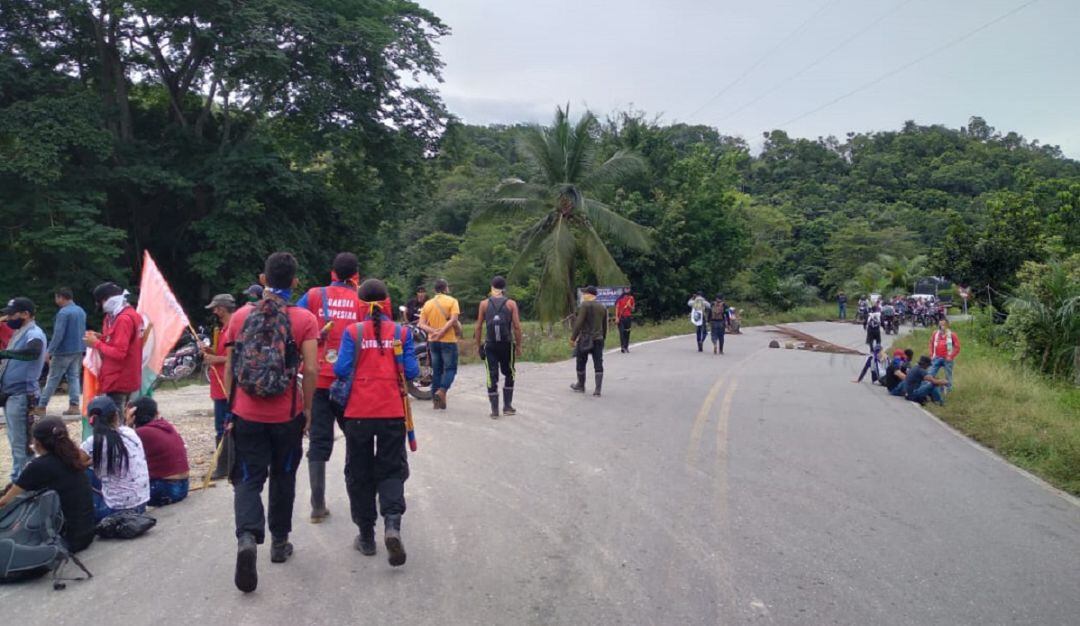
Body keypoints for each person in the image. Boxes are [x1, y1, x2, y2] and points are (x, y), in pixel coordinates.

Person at [222, 251, 319, 593]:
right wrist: (307, 410)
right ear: (295, 282)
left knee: (247, 479)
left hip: (246, 415)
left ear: (263, 279)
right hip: (286, 416)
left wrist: (231, 410)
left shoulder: (239, 318)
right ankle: (279, 543)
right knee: (284, 476)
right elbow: (311, 369)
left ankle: (248, 538)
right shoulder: (304, 319)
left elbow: (229, 368)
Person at [333, 278, 419, 566]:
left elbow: (342, 369)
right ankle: (392, 525)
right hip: (392, 412)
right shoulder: (401, 333)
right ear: (386, 303)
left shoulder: (352, 332)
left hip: (358, 414)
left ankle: (367, 537)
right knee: (392, 468)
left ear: (361, 304)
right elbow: (412, 369)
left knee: (359, 472)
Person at [294, 253, 365, 523]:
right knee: (357, 440)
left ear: (332, 272)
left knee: (319, 441)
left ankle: (317, 505)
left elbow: (295, 323)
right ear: (356, 273)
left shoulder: (313, 296)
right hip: (351, 383)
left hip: (319, 380)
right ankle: (361, 499)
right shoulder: (361, 300)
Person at [0, 417, 95, 553]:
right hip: (87, 532)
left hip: (66, 541)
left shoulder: (38, 466)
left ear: (37, 443)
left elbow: (5, 502)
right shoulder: (73, 456)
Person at [1, 297, 48, 484]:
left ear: (26, 314)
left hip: (23, 395)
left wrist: (4, 353)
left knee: (23, 444)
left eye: (12, 314)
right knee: (16, 442)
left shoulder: (34, 333)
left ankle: (23, 485)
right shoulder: (19, 332)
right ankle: (18, 480)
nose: (8, 318)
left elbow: (33, 352)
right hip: (12, 394)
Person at [80, 396, 150, 522]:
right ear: (116, 416)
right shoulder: (130, 432)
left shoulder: (94, 442)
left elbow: (75, 463)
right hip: (141, 504)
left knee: (82, 474)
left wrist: (96, 459)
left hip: (114, 511)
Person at [86, 282, 143, 409]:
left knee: (116, 422)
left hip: (118, 378)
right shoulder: (128, 315)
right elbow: (121, 341)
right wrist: (101, 337)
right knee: (123, 419)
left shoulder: (123, 319)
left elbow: (119, 353)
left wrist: (96, 343)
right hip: (125, 377)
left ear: (105, 300)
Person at [474, 276, 524, 418]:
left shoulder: (484, 304)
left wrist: (478, 346)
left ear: (492, 287)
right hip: (507, 345)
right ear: (504, 288)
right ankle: (507, 407)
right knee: (509, 373)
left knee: (491, 375)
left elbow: (478, 327)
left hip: (490, 345)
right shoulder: (511, 304)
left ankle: (494, 410)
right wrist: (519, 346)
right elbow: (517, 327)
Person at [127, 397, 189, 507]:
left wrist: (127, 424)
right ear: (156, 413)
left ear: (134, 416)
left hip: (167, 490)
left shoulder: (141, 433)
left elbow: (118, 448)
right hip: (183, 486)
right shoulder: (166, 425)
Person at [35, 287, 86, 417]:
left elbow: (59, 334)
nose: (56, 300)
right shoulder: (81, 311)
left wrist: (49, 351)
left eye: (56, 297)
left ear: (61, 297)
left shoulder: (63, 313)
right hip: (79, 349)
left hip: (63, 351)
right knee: (74, 377)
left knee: (52, 378)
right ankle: (74, 405)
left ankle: (41, 406)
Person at [201, 293, 236, 480]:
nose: (214, 311)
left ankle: (225, 467)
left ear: (222, 308)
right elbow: (224, 353)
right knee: (221, 427)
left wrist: (216, 359)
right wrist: (211, 353)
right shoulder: (222, 329)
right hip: (218, 384)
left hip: (226, 385)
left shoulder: (233, 328)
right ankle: (226, 465)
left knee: (224, 427)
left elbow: (235, 356)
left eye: (215, 308)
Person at [419, 279, 460, 410]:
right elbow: (454, 320)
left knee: (437, 371)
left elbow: (421, 324)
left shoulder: (427, 304)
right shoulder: (452, 301)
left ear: (435, 290)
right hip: (448, 341)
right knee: (450, 369)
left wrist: (433, 331)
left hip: (433, 341)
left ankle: (437, 403)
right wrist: (442, 331)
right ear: (446, 288)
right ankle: (441, 391)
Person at [570, 286, 608, 396]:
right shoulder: (602, 307)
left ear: (589, 294)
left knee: (581, 361)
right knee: (598, 362)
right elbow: (604, 326)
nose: (583, 295)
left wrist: (573, 338)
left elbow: (579, 323)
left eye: (585, 293)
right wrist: (603, 338)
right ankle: (598, 390)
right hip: (598, 339)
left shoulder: (585, 305)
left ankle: (581, 385)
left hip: (585, 338)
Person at [928, 318, 960, 392]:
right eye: (940, 324)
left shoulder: (952, 334)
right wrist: (931, 354)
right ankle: (928, 387)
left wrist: (951, 356)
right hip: (936, 357)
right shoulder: (935, 333)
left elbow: (957, 347)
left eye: (943, 324)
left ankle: (948, 389)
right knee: (930, 372)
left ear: (947, 325)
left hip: (947, 358)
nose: (942, 326)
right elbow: (931, 344)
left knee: (948, 375)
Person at [614, 287, 636, 353]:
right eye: (626, 289)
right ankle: (623, 347)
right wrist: (617, 317)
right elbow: (617, 308)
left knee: (627, 333)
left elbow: (633, 309)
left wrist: (630, 306)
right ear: (624, 290)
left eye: (628, 289)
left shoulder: (631, 298)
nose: (627, 290)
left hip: (628, 318)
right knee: (622, 332)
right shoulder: (620, 298)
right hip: (621, 318)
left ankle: (626, 347)